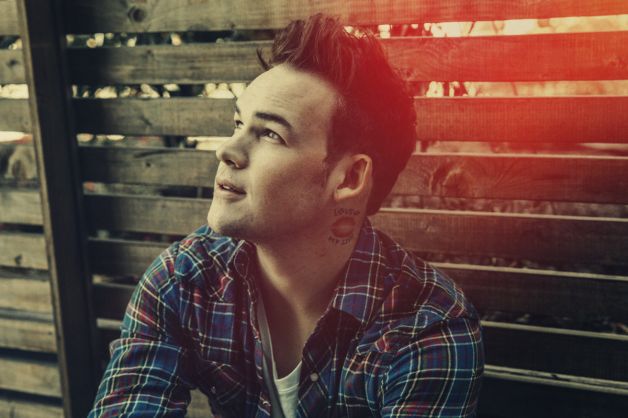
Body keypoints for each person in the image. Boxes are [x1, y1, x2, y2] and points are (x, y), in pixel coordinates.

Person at [89, 14, 483, 418]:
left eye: (270, 134)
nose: (227, 150)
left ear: (349, 178)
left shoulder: (427, 324)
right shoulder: (185, 281)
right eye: (238, 123)